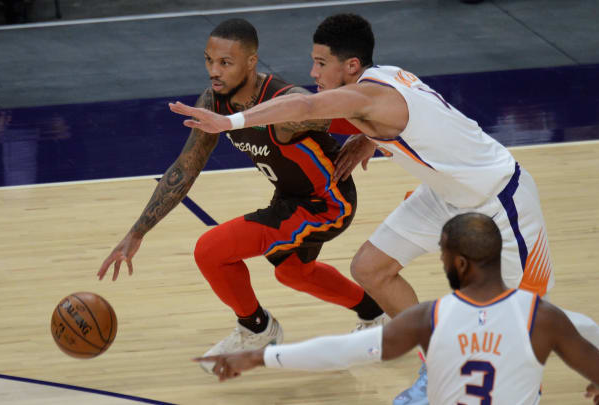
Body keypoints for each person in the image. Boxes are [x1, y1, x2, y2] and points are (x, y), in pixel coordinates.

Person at [167, 13, 599, 404]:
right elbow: (397, 120)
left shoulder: (372, 98)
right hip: (445, 195)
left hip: (499, 200)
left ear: (350, 66)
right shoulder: (380, 83)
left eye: (321, 63)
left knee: (524, 321)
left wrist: (229, 124)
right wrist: (371, 142)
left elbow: (305, 107)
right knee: (371, 267)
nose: (312, 71)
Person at [98, 18, 387, 373]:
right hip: (291, 199)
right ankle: (375, 313)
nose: (213, 72)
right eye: (209, 61)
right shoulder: (214, 102)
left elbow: (376, 110)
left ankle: (256, 329)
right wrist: (137, 232)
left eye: (225, 63)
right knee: (294, 273)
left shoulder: (288, 106)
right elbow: (185, 169)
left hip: (325, 204)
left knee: (212, 249)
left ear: (251, 62)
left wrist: (369, 139)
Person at [195, 213, 599, 405]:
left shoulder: (430, 319)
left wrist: (260, 356)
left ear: (455, 263)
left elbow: (341, 352)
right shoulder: (545, 318)